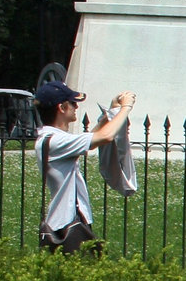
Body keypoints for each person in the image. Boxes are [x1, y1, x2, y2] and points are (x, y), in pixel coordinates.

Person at [34, 82, 138, 253]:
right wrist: (126, 108)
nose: (76, 107)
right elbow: (106, 136)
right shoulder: (56, 141)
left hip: (64, 220)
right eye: (73, 103)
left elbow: (92, 138)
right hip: (69, 223)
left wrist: (110, 113)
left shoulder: (51, 138)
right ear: (61, 107)